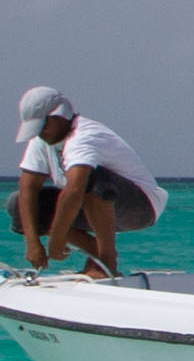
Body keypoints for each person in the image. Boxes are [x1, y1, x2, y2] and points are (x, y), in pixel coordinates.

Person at [11, 88, 167, 276]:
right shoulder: (41, 141)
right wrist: (32, 242)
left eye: (43, 126)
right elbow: (29, 187)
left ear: (58, 117)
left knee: (90, 181)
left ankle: (106, 260)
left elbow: (75, 190)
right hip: (90, 206)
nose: (41, 133)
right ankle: (95, 251)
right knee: (17, 204)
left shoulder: (84, 137)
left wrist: (58, 237)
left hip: (141, 207)